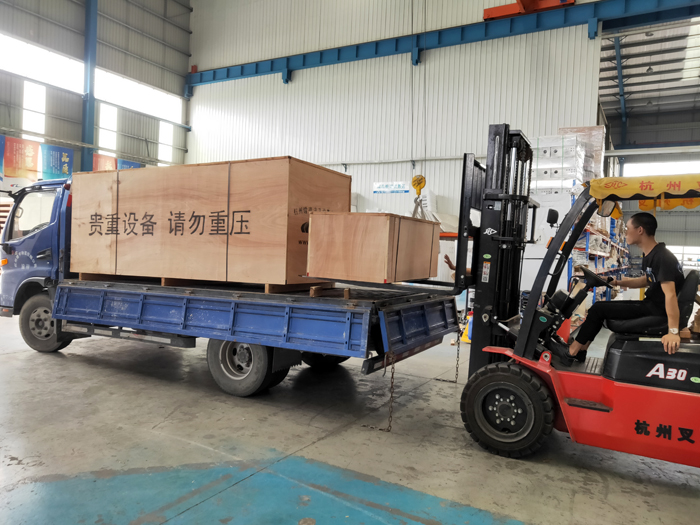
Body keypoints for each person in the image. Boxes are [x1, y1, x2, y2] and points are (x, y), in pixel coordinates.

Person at [554, 212, 685, 365]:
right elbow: (646, 280)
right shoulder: (651, 254)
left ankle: (571, 352)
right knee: (599, 310)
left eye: (628, 228)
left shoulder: (662, 257)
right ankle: (580, 351)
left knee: (598, 309)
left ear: (640, 230)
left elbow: (670, 295)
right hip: (652, 306)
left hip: (655, 310)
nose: (625, 232)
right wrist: (614, 281)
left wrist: (673, 331)